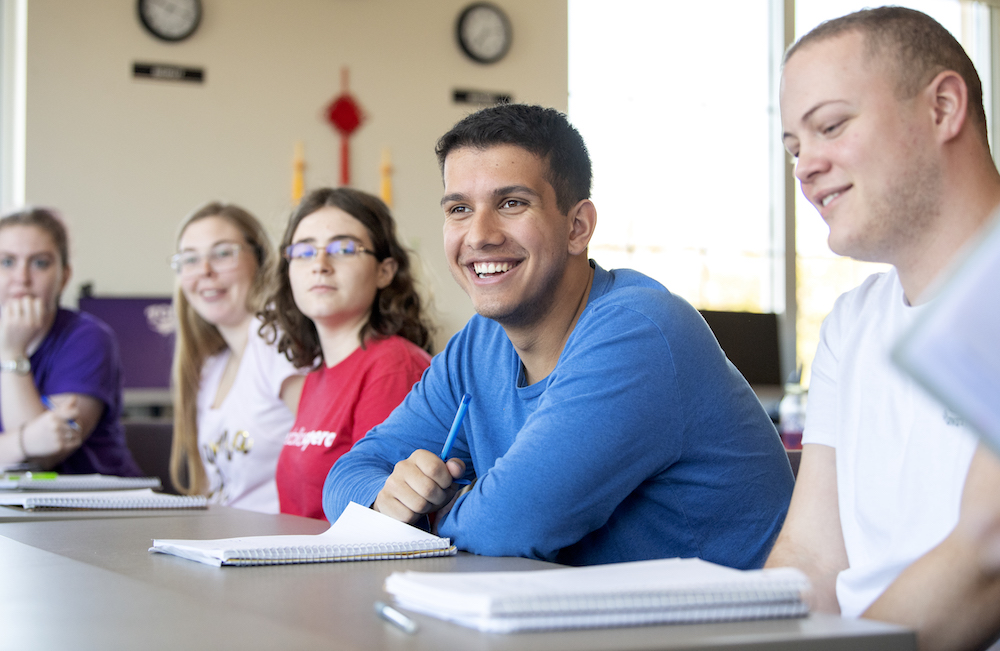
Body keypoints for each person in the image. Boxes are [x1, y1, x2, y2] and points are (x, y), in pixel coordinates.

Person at [324, 104, 794, 567]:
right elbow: (347, 475)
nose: (480, 235)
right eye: (460, 209)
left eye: (511, 203)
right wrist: (385, 502)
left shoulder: (639, 332)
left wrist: (422, 519)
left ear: (577, 226)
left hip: (719, 631)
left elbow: (510, 524)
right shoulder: (478, 344)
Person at [765, 7, 1000, 651]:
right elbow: (812, 555)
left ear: (944, 107)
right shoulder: (853, 322)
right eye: (793, 147)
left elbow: (990, 551)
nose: (804, 167)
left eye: (831, 126)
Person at [262, 187, 433, 520]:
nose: (321, 265)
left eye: (343, 248)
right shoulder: (316, 377)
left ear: (384, 271)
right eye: (304, 251)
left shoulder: (393, 367)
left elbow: (385, 520)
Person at [170, 203, 305, 512]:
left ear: (260, 261)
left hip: (280, 547)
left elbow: (325, 447)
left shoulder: (274, 338)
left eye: (222, 253)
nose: (205, 270)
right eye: (190, 259)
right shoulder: (212, 366)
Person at [0, 207, 140, 475]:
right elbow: (32, 443)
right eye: (7, 262)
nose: (22, 278)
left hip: (93, 508)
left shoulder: (88, 338)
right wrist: (26, 440)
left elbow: (41, 459)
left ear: (64, 276)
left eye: (40, 262)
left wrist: (12, 353)